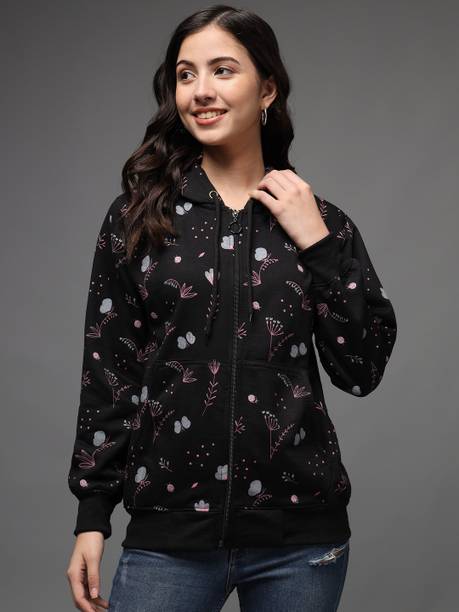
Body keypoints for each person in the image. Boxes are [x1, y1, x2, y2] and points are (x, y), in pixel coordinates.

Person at [65, 4, 397, 611]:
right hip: (169, 534)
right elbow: (110, 373)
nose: (200, 91)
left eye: (222, 70)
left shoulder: (323, 223)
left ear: (267, 89)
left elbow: (363, 367)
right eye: (185, 74)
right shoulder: (140, 219)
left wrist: (317, 243)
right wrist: (92, 516)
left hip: (301, 539)